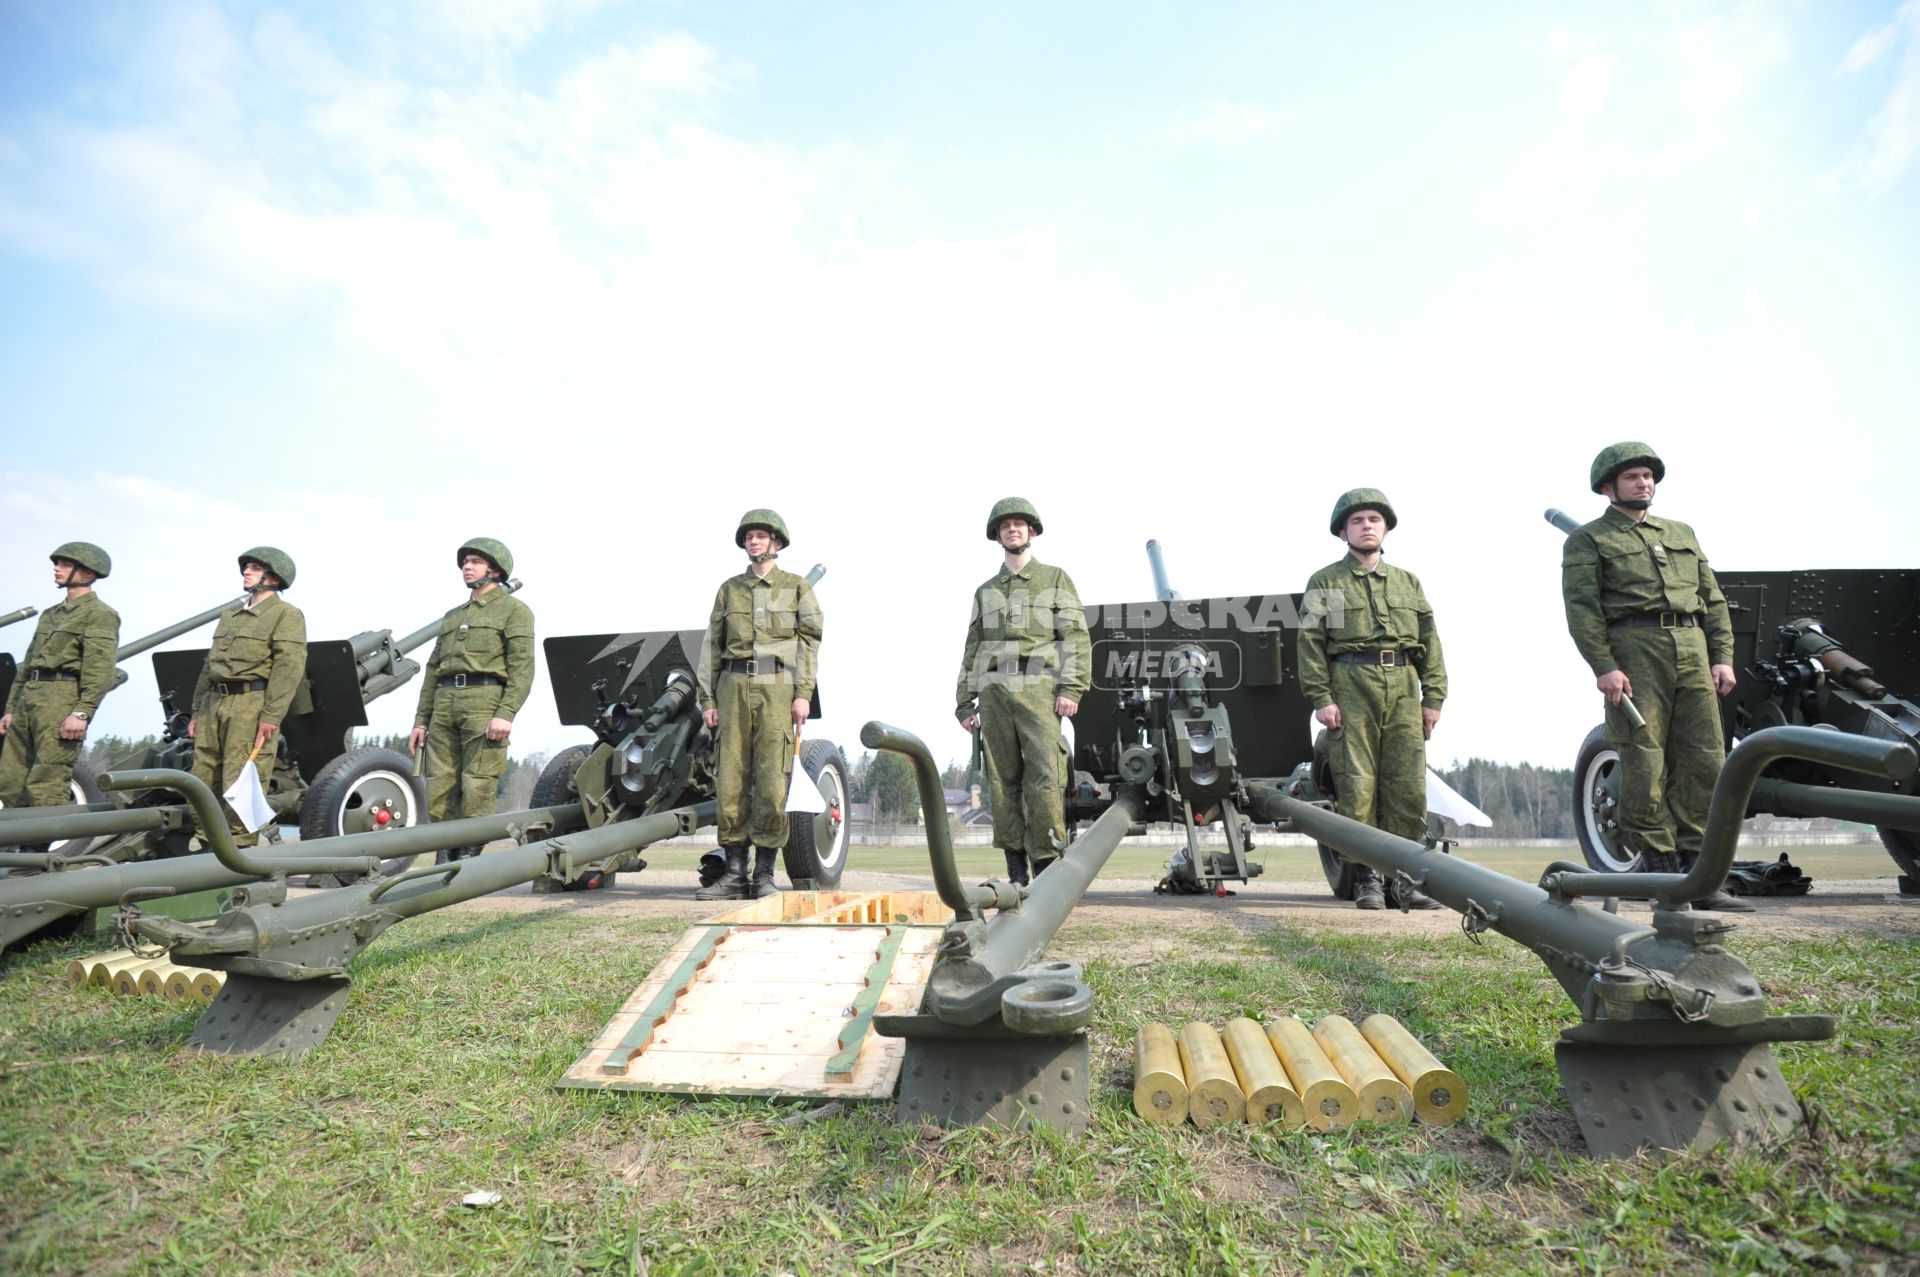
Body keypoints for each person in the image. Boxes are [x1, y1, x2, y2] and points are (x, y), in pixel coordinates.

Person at [1561, 443, 1752, 912]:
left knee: (1706, 759)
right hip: (1635, 649)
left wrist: (1722, 656)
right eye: (1632, 477)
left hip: (1691, 646)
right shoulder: (1588, 540)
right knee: (1643, 760)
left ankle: (1700, 872)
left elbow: (1713, 599)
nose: (1643, 483)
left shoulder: (1681, 533)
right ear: (1608, 487)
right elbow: (1582, 610)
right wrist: (1604, 665)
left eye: (1648, 476)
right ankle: (1663, 868)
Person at [1298, 489, 1446, 910]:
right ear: (1343, 531)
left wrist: (1432, 698)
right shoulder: (1326, 582)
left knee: (1406, 786)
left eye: (1375, 520)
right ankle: (1366, 877)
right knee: (1358, 785)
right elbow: (1309, 644)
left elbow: (1430, 645)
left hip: (1402, 685)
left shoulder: (1407, 582)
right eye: (1358, 520)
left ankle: (1404, 880)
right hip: (1350, 683)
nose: (1367, 526)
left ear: (1385, 528)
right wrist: (1321, 698)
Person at [954, 497, 1091, 887]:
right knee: (1001, 781)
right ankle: (1016, 872)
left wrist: (1072, 687)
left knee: (1046, 778)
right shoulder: (985, 592)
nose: (1012, 529)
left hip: (1040, 690)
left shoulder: (1055, 579)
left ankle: (1047, 870)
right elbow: (973, 647)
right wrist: (965, 702)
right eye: (1005, 525)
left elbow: (1076, 637)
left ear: (1031, 531)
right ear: (996, 535)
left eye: (1019, 524)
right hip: (995, 693)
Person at [695, 510, 823, 900]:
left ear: (777, 543)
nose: (754, 542)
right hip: (732, 684)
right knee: (731, 778)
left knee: (771, 779)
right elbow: (711, 647)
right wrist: (707, 698)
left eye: (761, 536)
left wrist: (803, 693)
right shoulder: (729, 590)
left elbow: (809, 644)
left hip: (777, 686)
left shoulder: (797, 587)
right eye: (749, 536)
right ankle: (734, 874)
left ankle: (764, 875)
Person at [408, 539, 535, 861]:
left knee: (477, 782)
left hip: (485, 699)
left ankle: (468, 855)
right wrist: (421, 720)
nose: (467, 566)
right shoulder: (453, 617)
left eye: (475, 561)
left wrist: (505, 713)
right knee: (439, 784)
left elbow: (522, 668)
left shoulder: (515, 611)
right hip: (444, 700)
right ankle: (443, 853)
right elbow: (433, 670)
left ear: (494, 569)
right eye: (465, 561)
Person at [189, 547, 306, 847]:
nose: (246, 571)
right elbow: (210, 665)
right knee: (202, 779)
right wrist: (196, 712)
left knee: (239, 781)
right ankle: (206, 846)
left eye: (254, 567)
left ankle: (239, 852)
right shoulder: (230, 615)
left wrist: (270, 716)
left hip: (251, 705)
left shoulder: (286, 615)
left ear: (274, 577)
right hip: (214, 702)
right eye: (247, 567)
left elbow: (288, 667)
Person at [0, 543, 121, 823]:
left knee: (47, 781)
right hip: (30, 696)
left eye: (66, 565)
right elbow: (28, 665)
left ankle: (40, 856)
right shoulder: (50, 614)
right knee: (10, 779)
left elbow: (100, 670)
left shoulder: (99, 614)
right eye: (58, 564)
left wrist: (81, 712)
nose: (56, 568)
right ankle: (16, 850)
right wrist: (11, 708)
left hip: (62, 697)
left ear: (88, 573)